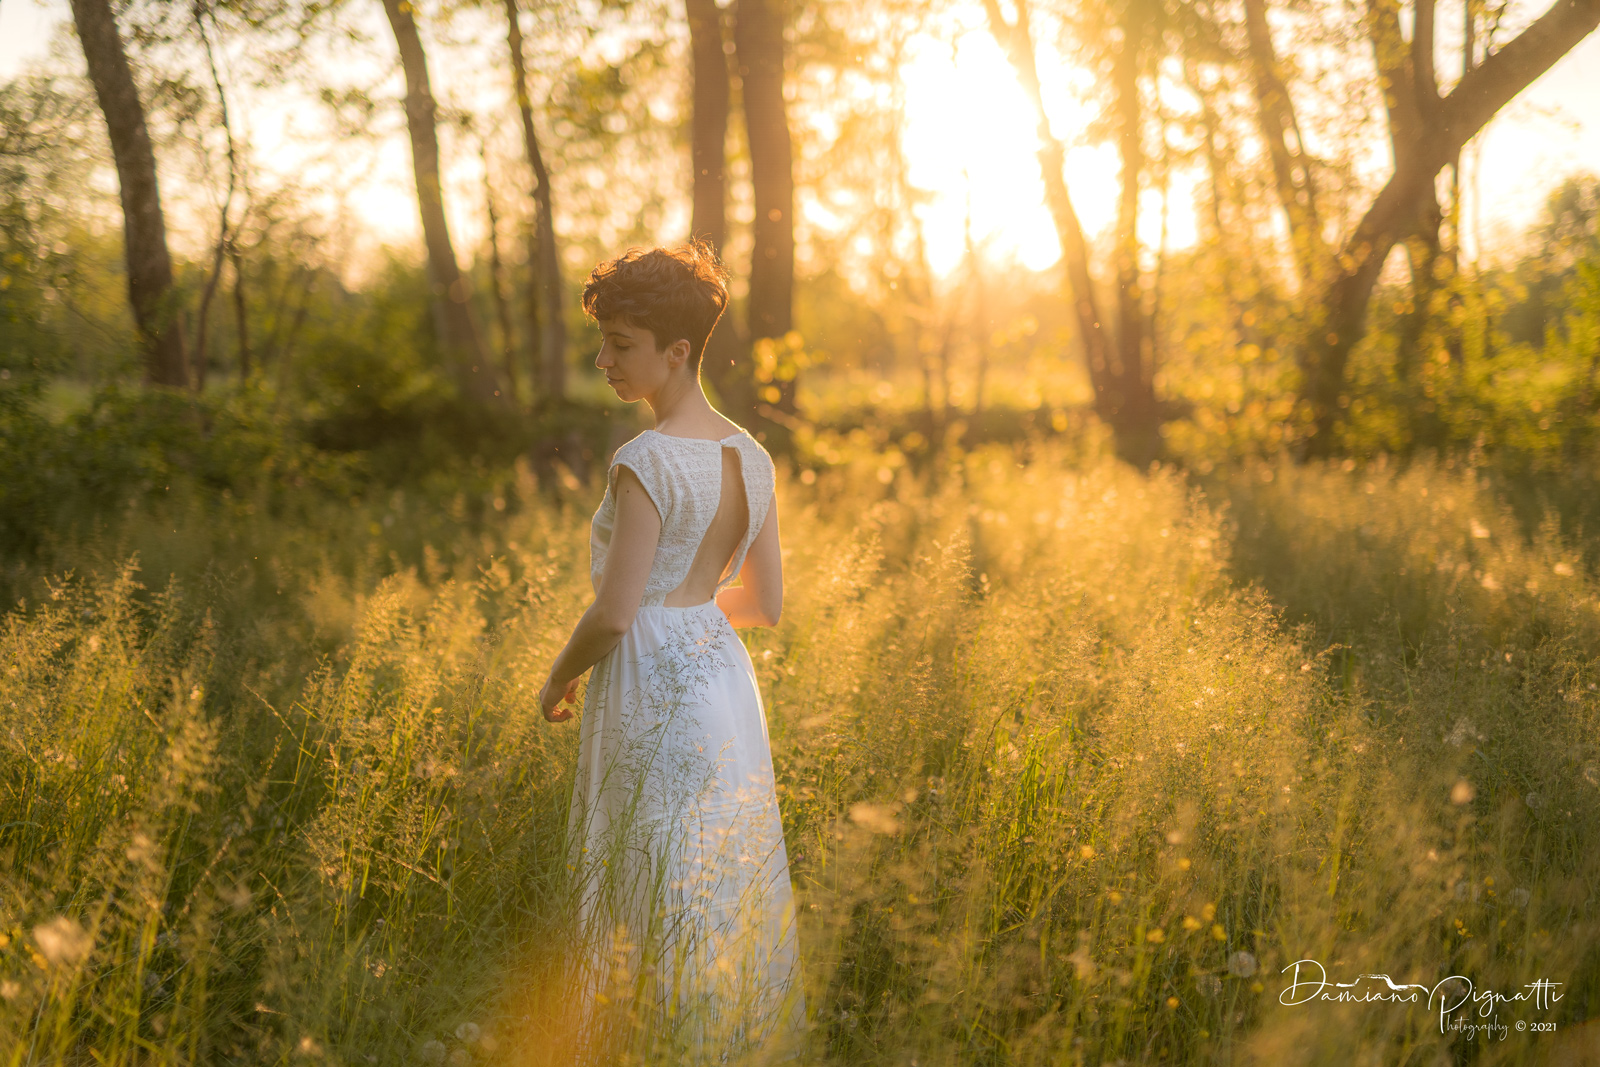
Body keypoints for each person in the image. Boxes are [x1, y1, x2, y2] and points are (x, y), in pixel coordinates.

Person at [537, 242, 803, 1057]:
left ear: (678, 351)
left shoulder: (645, 459)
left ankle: (641, 1034)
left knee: (643, 848)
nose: (603, 359)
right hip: (718, 672)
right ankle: (721, 1030)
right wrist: (686, 613)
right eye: (604, 341)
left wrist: (556, 676)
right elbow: (764, 604)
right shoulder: (751, 457)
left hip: (650, 673)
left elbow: (616, 614)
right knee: (714, 853)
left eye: (621, 344)